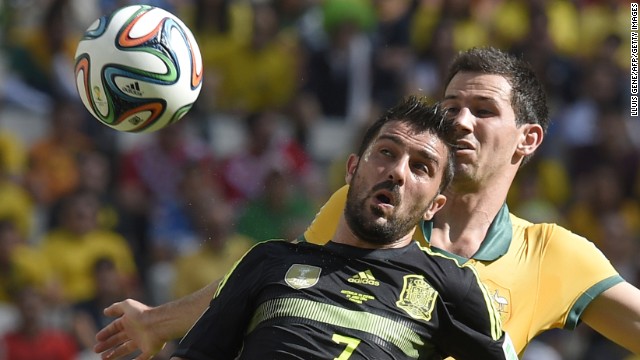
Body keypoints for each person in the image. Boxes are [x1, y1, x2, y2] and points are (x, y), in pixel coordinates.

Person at [93, 47, 640, 359]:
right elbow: (282, 284)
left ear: (528, 139)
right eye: (451, 105)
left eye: (483, 109)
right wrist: (160, 321)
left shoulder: (552, 254)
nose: (460, 121)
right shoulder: (370, 208)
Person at [171, 96, 515, 359]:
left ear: (434, 207)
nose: (398, 172)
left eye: (421, 167)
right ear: (351, 169)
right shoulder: (266, 262)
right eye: (386, 152)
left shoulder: (452, 287)